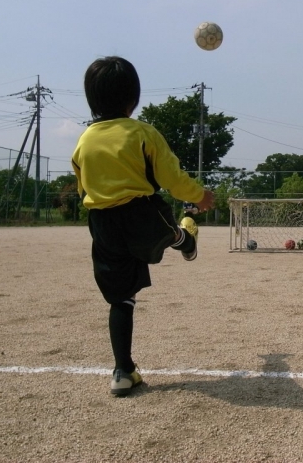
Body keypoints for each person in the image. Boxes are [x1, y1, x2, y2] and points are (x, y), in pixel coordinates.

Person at [72, 56, 214, 397]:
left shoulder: (84, 140)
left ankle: (123, 371)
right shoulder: (142, 133)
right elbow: (171, 179)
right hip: (140, 212)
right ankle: (184, 238)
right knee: (164, 232)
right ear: (133, 99)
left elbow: (83, 188)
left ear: (91, 99)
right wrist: (200, 196)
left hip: (102, 222)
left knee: (121, 298)